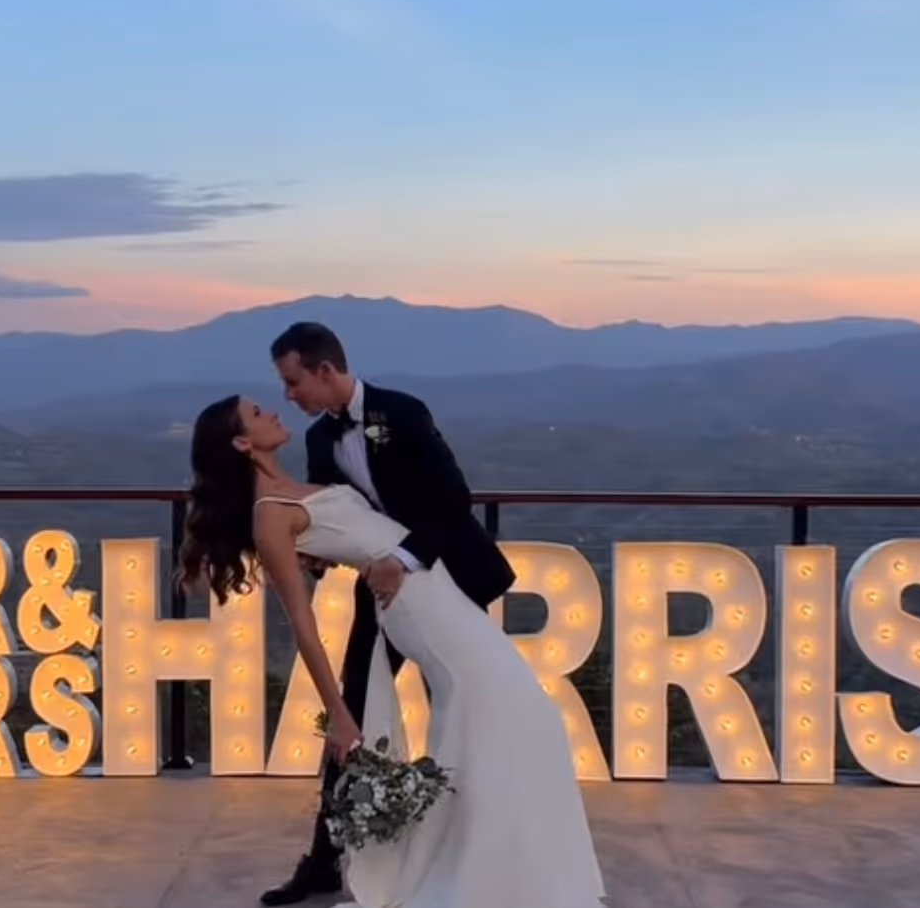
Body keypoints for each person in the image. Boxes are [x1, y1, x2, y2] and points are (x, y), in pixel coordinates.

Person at [178, 389, 607, 908]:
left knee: (497, 717)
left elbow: (385, 512)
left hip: (438, 587)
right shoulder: (270, 515)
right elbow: (303, 624)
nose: (273, 407)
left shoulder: (299, 484)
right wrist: (339, 715)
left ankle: (499, 866)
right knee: (519, 710)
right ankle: (483, 874)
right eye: (256, 412)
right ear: (244, 442)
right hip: (415, 607)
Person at [263, 321, 516, 904]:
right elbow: (336, 513)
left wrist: (402, 559)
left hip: (445, 586)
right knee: (351, 715)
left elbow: (454, 499)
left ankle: (474, 847)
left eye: (293, 380)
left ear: (326, 371)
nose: (289, 395)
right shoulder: (320, 441)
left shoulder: (401, 412)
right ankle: (324, 862)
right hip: (379, 599)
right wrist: (316, 559)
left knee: (461, 706)